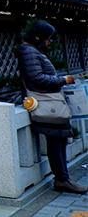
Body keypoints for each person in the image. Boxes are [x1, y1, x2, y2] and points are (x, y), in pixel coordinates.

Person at [17, 20, 87, 194]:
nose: (49, 42)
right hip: (47, 103)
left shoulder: (31, 51)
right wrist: (62, 80)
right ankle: (62, 180)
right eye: (48, 39)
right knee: (56, 141)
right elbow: (37, 79)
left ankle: (64, 179)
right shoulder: (29, 52)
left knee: (59, 140)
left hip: (50, 102)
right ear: (38, 36)